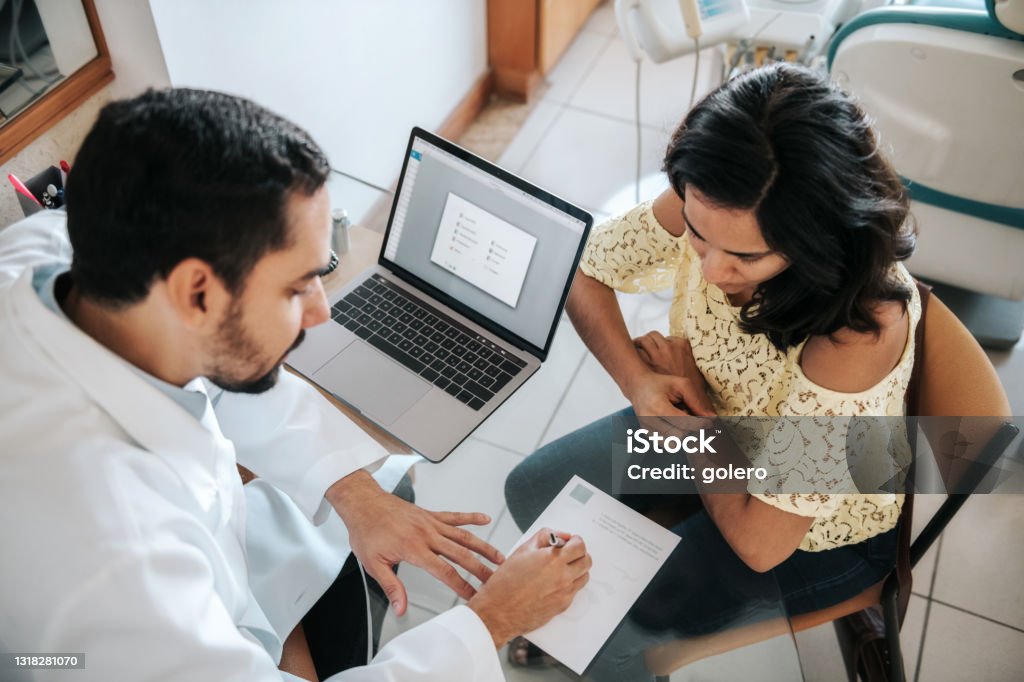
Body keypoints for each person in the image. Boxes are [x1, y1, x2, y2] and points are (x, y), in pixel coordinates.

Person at [0, 88, 590, 681]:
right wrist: (491, 621)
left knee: (381, 486)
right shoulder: (114, 560)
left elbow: (220, 372)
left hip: (200, 586)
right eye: (296, 286)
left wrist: (356, 496)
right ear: (197, 292)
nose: (321, 312)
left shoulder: (50, 252)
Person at [505, 62, 919, 677]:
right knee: (531, 489)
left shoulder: (856, 331)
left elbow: (760, 544)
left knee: (614, 635)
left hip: (812, 531)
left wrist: (697, 414)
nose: (712, 269)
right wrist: (639, 383)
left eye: (746, 256)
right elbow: (585, 270)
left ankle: (607, 642)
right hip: (715, 431)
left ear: (819, 236)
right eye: (698, 237)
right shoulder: (714, 199)